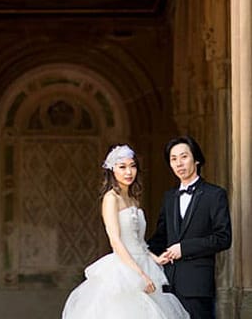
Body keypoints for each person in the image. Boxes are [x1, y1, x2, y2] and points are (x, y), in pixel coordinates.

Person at [61, 144, 189, 319]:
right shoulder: (110, 198)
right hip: (124, 268)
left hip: (144, 263)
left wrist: (156, 258)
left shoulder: (133, 199)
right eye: (122, 167)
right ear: (112, 170)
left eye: (132, 166)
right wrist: (140, 274)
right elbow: (115, 240)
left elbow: (139, 242)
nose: (129, 172)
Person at [148, 136, 232, 319]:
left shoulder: (215, 195)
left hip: (198, 286)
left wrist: (184, 249)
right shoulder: (169, 197)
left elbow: (223, 238)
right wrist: (141, 250)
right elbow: (161, 237)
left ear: (197, 159)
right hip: (168, 284)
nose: (179, 163)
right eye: (173, 159)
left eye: (184, 157)